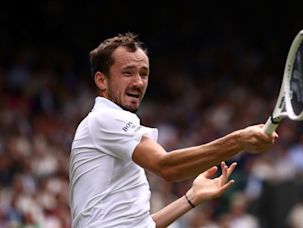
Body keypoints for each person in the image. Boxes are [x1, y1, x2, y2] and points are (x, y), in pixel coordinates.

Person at [69, 32, 278, 228]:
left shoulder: (109, 127)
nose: (139, 82)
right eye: (128, 73)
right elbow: (167, 167)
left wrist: (191, 198)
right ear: (101, 80)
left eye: (144, 73)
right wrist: (239, 141)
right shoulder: (105, 118)